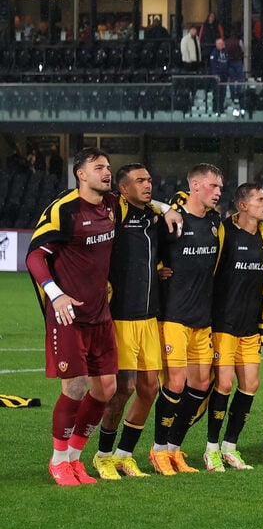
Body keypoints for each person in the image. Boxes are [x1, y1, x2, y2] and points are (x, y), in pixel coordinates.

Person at [27, 148, 121, 485]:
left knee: (106, 389)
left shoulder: (112, 205)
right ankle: (57, 460)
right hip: (68, 316)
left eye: (108, 167)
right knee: (76, 388)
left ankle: (76, 458)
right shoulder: (64, 210)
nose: (107, 172)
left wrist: (166, 209)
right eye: (99, 168)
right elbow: (35, 256)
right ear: (81, 174)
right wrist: (56, 294)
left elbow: (143, 203)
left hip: (100, 313)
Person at [92, 164, 180, 480]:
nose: (148, 184)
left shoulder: (153, 219)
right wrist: (165, 206)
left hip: (149, 317)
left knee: (149, 388)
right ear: (124, 189)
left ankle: (124, 455)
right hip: (121, 317)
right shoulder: (117, 211)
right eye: (139, 181)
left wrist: (165, 208)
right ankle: (102, 455)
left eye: (150, 180)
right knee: (123, 389)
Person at [150, 163, 223, 475]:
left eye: (220, 187)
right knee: (175, 383)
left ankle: (175, 450)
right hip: (175, 316)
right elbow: (147, 254)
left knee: (201, 383)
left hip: (202, 318)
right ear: (194, 185)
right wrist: (156, 271)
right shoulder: (171, 223)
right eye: (212, 186)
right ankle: (158, 450)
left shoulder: (215, 223)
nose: (218, 192)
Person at [204, 183, 263, 471]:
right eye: (260, 198)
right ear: (243, 205)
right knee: (223, 384)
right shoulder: (224, 232)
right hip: (223, 323)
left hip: (252, 325)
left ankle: (230, 447)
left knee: (250, 386)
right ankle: (211, 448)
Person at [208, 38, 229, 115]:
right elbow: (213, 65)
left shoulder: (226, 52)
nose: (221, 45)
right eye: (219, 44)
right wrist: (215, 74)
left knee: (223, 93)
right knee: (217, 93)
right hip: (217, 76)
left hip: (224, 75)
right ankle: (216, 108)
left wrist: (228, 75)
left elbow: (228, 63)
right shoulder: (214, 53)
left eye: (222, 44)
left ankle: (221, 107)